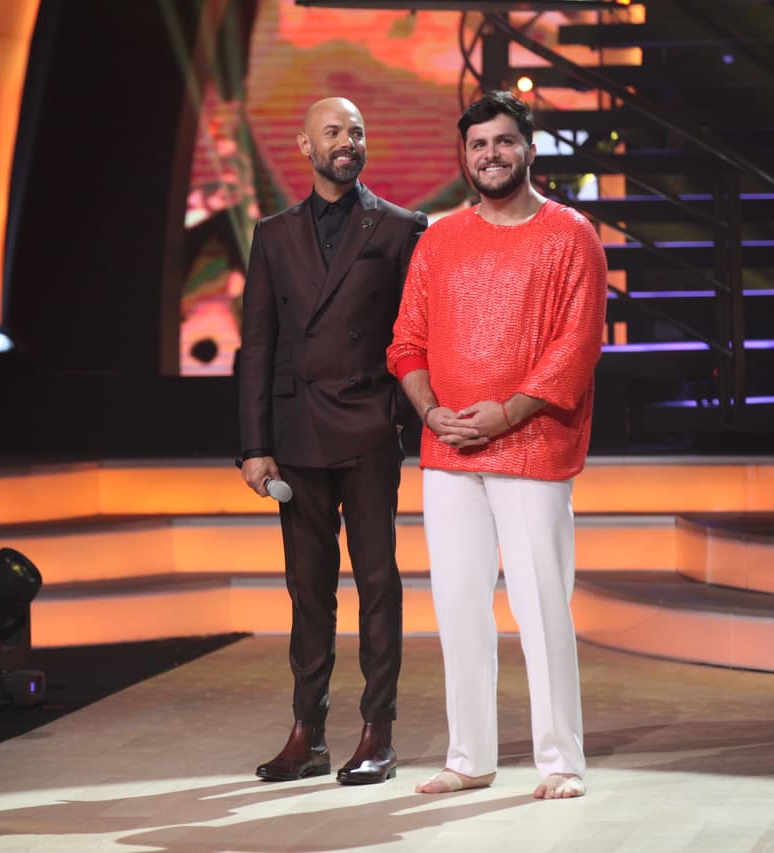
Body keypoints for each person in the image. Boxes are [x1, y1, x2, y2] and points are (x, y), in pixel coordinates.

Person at [387, 90, 607, 800]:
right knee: (457, 608)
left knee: (541, 609)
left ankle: (561, 761)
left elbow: (576, 346)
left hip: (533, 449)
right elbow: (406, 342)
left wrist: (506, 414)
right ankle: (469, 757)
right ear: (465, 155)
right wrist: (433, 411)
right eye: (479, 144)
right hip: (449, 449)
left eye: (504, 141)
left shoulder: (570, 234)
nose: (491, 154)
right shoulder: (439, 240)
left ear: (530, 149)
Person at [238, 97, 427, 785]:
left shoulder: (402, 227)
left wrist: (405, 414)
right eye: (333, 132)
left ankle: (378, 730)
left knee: (378, 583)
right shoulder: (273, 233)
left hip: (369, 426)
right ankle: (307, 731)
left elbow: (415, 334)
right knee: (308, 590)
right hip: (297, 434)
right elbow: (258, 345)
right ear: (305, 145)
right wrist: (253, 444)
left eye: (356, 131)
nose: (347, 141)